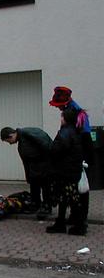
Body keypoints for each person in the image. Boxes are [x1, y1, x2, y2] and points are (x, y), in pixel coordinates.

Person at [48, 86, 93, 235]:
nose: (58, 108)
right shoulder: (73, 114)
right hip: (75, 159)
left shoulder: (76, 115)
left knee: (77, 192)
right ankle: (75, 219)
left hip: (73, 162)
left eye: (58, 106)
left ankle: (80, 221)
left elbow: (84, 138)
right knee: (73, 193)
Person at [45, 108, 84, 235]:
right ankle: (64, 223)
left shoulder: (65, 133)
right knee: (68, 198)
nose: (60, 119)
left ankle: (78, 225)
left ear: (66, 118)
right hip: (73, 170)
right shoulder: (76, 131)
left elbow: (56, 150)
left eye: (62, 117)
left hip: (64, 171)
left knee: (70, 198)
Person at [0, 126, 52, 218]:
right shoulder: (23, 138)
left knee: (45, 186)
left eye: (8, 141)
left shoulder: (26, 136)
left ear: (11, 135)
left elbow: (46, 146)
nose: (10, 144)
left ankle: (46, 206)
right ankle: (37, 204)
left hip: (42, 166)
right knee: (36, 185)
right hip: (37, 167)